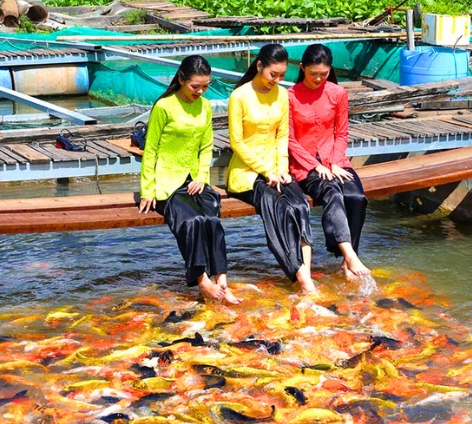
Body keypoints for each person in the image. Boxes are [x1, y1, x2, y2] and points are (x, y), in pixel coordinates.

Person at [139, 55, 241, 305]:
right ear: (182, 79)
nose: (201, 91)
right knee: (193, 221)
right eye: (196, 86)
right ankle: (202, 281)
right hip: (167, 182)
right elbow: (150, 150)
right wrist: (147, 190)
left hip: (194, 181)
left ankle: (222, 279)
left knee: (211, 219)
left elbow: (206, 147)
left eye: (205, 86)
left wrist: (200, 177)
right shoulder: (164, 106)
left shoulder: (205, 106)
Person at [226, 44, 317, 295]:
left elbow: (282, 136)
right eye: (272, 75)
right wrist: (267, 171)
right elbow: (237, 143)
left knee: (299, 205)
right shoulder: (240, 96)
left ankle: (305, 273)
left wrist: (283, 170)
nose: (276, 80)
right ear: (259, 66)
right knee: (279, 207)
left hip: (277, 171)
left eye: (281, 76)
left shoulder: (281, 95)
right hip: (246, 174)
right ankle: (302, 279)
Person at [288, 44, 370, 279]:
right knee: (332, 192)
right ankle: (351, 255)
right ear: (302, 68)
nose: (318, 79)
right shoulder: (290, 97)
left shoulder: (337, 93)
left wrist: (334, 163)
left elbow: (341, 133)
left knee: (356, 197)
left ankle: (346, 261)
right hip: (305, 165)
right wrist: (316, 166)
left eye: (323, 74)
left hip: (336, 160)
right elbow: (290, 140)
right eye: (313, 73)